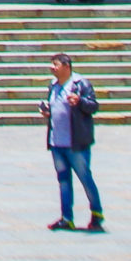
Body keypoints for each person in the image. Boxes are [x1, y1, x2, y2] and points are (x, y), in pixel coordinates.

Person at [39, 52, 104, 232]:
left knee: (85, 177)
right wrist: (47, 113)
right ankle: (67, 217)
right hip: (57, 141)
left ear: (66, 66)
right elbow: (55, 108)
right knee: (63, 180)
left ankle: (97, 213)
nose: (52, 68)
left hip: (75, 142)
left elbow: (93, 106)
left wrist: (80, 101)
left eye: (56, 65)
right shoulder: (53, 86)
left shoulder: (80, 84)